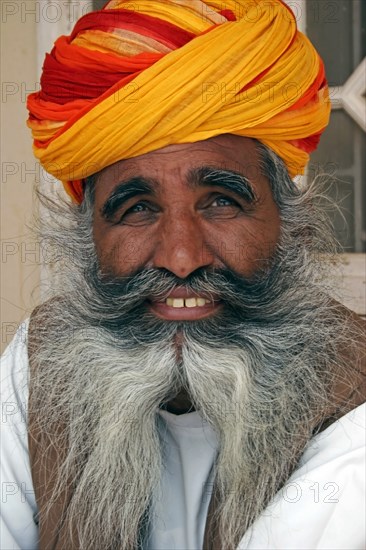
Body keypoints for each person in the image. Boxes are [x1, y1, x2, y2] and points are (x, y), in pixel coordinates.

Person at [1, 1, 365, 549]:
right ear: (88, 239)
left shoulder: (355, 384)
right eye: (137, 209)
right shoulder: (40, 363)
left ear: (292, 227)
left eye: (220, 201)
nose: (180, 257)